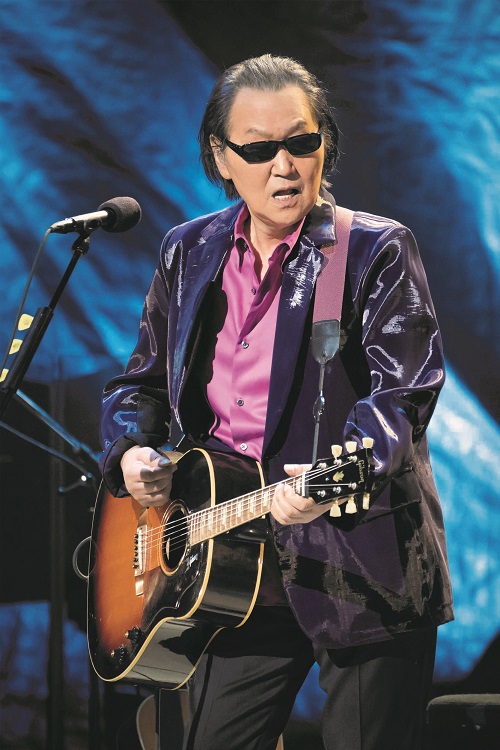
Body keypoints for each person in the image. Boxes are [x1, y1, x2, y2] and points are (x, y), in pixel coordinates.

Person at [99, 54, 453, 750]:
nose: (285, 166)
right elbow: (140, 384)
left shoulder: (374, 249)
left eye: (302, 142)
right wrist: (131, 449)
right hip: (228, 569)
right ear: (221, 158)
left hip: (360, 566)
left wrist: (340, 475)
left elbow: (402, 396)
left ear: (325, 144)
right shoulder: (188, 251)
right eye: (259, 150)